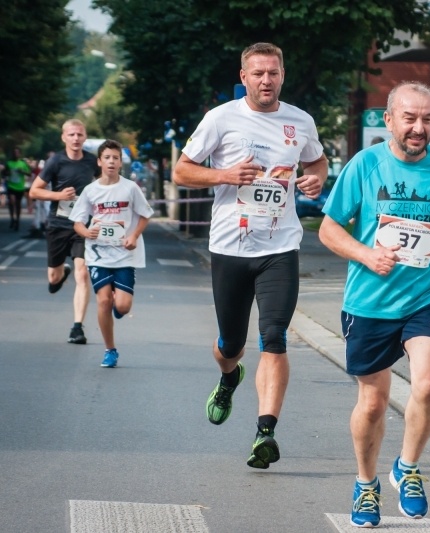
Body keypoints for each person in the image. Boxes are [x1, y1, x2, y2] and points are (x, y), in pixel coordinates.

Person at [318, 81, 430, 528]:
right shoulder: (365, 165)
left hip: (428, 296)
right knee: (373, 403)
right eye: (409, 118)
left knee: (428, 384)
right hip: (370, 301)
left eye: (427, 118)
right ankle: (365, 483)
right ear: (389, 120)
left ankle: (407, 468)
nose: (419, 128)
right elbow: (328, 229)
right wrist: (367, 255)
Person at [173, 42, 328, 469]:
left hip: (280, 247)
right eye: (258, 73)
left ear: (282, 75)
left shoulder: (300, 121)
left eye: (273, 73)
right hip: (230, 247)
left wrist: (315, 180)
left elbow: (317, 162)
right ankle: (229, 377)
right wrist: (223, 174)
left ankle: (265, 432)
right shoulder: (220, 118)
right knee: (231, 344)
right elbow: (181, 170)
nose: (266, 80)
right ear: (244, 78)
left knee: (274, 337)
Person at [70, 140, 153, 368]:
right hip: (98, 254)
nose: (111, 162)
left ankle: (119, 307)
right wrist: (87, 232)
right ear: (99, 161)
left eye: (115, 158)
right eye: (107, 157)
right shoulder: (91, 190)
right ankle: (110, 350)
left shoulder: (130, 188)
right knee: (104, 300)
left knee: (123, 307)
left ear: (120, 162)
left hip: (125, 255)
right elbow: (77, 222)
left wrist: (134, 236)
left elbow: (145, 214)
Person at [30, 119, 100, 344]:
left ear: (85, 136)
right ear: (64, 137)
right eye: (71, 134)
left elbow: (105, 184)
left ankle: (77, 328)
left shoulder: (92, 161)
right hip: (58, 224)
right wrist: (58, 195)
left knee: (83, 274)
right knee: (53, 278)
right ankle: (61, 274)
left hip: (83, 225)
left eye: (79, 134)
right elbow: (34, 191)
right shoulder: (55, 161)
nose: (76, 138)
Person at [3, 148, 30, 231]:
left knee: (18, 204)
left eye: (17, 153)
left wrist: (22, 172)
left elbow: (29, 173)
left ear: (19, 154)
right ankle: (12, 218)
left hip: (20, 187)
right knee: (11, 202)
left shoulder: (23, 163)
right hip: (11, 186)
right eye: (14, 153)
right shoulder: (9, 163)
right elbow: (3, 173)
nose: (16, 154)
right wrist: (8, 173)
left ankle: (17, 220)